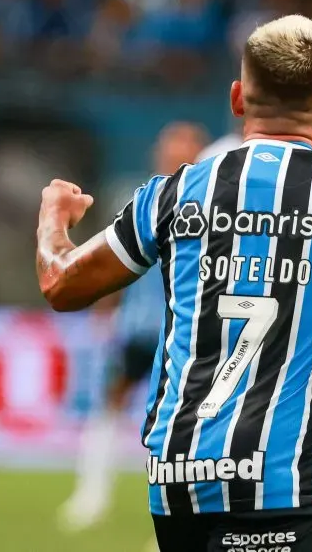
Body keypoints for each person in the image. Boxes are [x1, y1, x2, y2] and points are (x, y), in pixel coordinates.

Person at [35, 15, 312, 551]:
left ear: (238, 98)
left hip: (177, 479)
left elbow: (60, 283)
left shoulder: (171, 195)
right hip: (281, 483)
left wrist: (53, 216)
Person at [59, 121, 208, 531]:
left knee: (187, 422)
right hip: (141, 329)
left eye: (183, 146)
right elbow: (113, 258)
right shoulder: (141, 198)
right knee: (111, 402)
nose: (173, 153)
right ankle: (91, 494)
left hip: (187, 333)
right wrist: (105, 308)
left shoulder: (213, 202)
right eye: (169, 146)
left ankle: (185, 515)